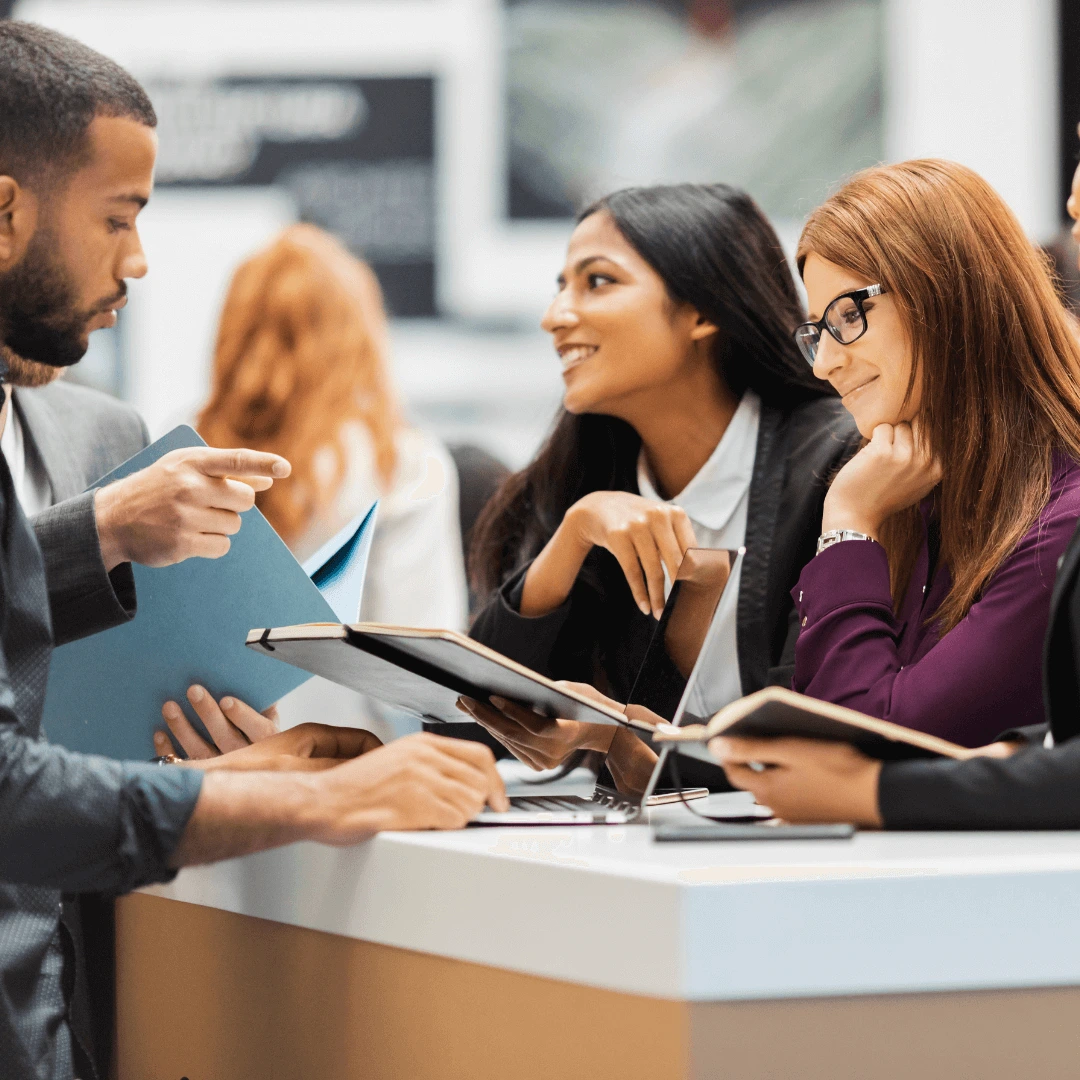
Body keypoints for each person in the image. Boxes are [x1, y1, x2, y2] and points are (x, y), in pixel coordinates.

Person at [0, 23, 506, 1080]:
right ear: (7, 213)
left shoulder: (100, 429)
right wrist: (315, 798)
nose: (135, 261)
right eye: (118, 219)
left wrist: (253, 767)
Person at [706, 145, 1080, 828]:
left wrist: (848, 521)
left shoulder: (1062, 512)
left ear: (947, 295)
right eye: (817, 330)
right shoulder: (911, 487)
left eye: (848, 317)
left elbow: (873, 746)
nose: (824, 363)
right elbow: (811, 732)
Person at [459, 182, 859, 784]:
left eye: (597, 282)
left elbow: (815, 737)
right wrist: (571, 537)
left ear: (702, 311)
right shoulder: (583, 480)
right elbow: (475, 715)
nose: (554, 317)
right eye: (560, 286)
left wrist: (617, 739)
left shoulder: (840, 463)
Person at [194, 224, 467, 740]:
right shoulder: (403, 464)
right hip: (357, 781)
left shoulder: (182, 458)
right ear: (361, 334)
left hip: (204, 778)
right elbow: (425, 674)